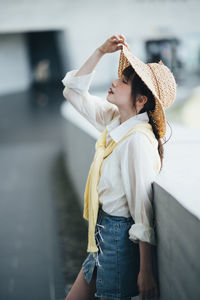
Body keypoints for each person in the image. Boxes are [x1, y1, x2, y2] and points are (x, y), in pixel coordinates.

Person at [62, 34, 177, 300]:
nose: (114, 81)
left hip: (118, 239)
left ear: (141, 101)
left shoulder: (136, 140)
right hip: (102, 235)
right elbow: (72, 92)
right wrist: (101, 50)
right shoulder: (115, 121)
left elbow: (142, 211)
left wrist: (145, 270)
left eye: (124, 82)